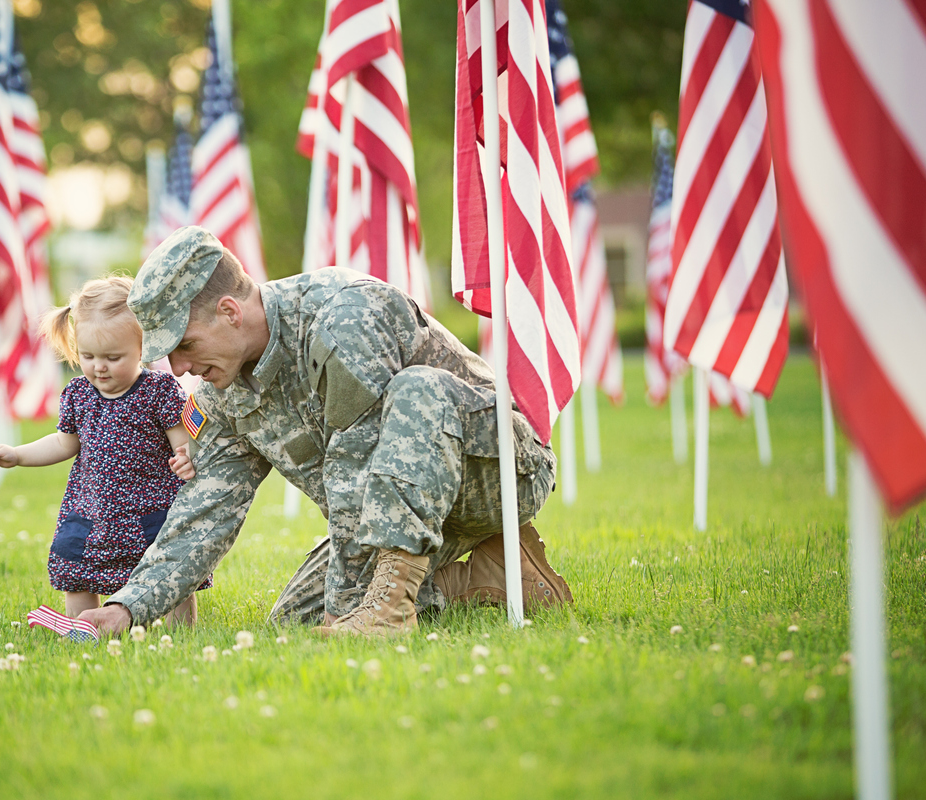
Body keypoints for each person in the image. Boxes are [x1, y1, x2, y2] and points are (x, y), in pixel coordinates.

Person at [80, 226, 572, 638]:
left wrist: (348, 608)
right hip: (400, 506)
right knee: (293, 621)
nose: (181, 368)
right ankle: (485, 575)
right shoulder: (222, 393)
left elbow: (356, 465)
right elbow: (204, 508)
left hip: (499, 473)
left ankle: (391, 610)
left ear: (230, 312)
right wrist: (127, 607)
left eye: (185, 345)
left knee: (417, 389)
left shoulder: (342, 317)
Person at [0, 276, 206, 628]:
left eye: (113, 357)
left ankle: (181, 631)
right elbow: (63, 443)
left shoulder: (158, 390)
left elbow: (182, 438)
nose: (99, 366)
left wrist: (184, 456)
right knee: (78, 565)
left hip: (149, 508)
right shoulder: (79, 393)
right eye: (88, 356)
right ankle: (82, 627)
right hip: (93, 509)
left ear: (142, 348)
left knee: (166, 566)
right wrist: (17, 454)